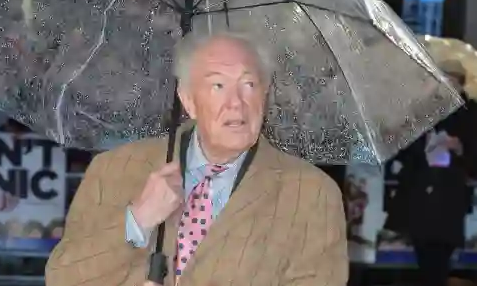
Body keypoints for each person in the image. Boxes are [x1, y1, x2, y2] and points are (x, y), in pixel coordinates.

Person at [45, 29, 348, 286]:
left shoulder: (312, 194)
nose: (236, 104)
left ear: (265, 94)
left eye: (249, 85)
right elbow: (62, 277)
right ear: (188, 99)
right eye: (218, 85)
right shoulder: (114, 169)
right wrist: (137, 222)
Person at [385, 59, 477, 286]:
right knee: (424, 255)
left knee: (439, 258)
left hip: (450, 194)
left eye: (452, 81)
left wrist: (460, 148)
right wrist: (424, 143)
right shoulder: (423, 110)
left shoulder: (471, 114)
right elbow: (403, 148)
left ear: (460, 84)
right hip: (420, 192)